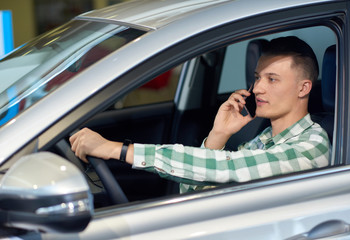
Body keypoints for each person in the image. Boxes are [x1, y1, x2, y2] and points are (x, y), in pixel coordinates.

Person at [70, 36, 330, 193]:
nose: (258, 88)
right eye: (257, 77)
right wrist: (219, 134)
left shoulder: (310, 146)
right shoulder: (262, 139)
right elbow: (192, 187)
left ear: (303, 88)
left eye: (272, 79)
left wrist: (117, 149)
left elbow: (226, 167)